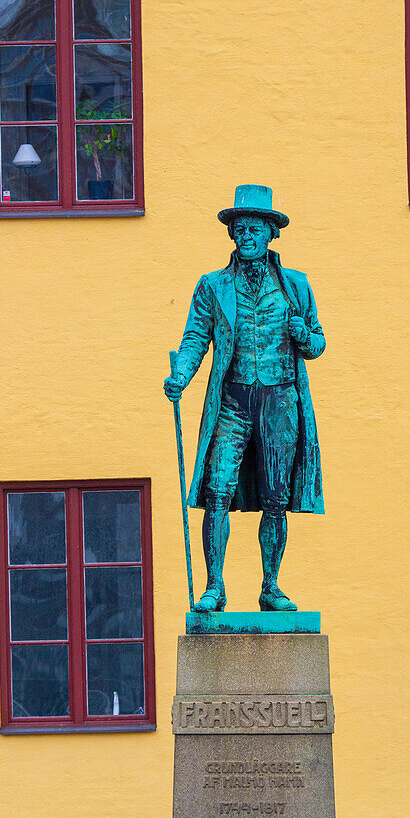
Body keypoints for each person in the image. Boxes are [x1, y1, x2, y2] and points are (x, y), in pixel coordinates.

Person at [164, 184, 326, 612]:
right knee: (217, 488)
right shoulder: (213, 286)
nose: (246, 236)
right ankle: (214, 587)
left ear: (271, 233)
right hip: (233, 402)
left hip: (280, 399)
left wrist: (303, 335)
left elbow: (318, 344)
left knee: (276, 497)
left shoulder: (295, 285)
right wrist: (180, 375)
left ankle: (270, 586)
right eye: (239, 230)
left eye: (254, 229)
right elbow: (196, 337)